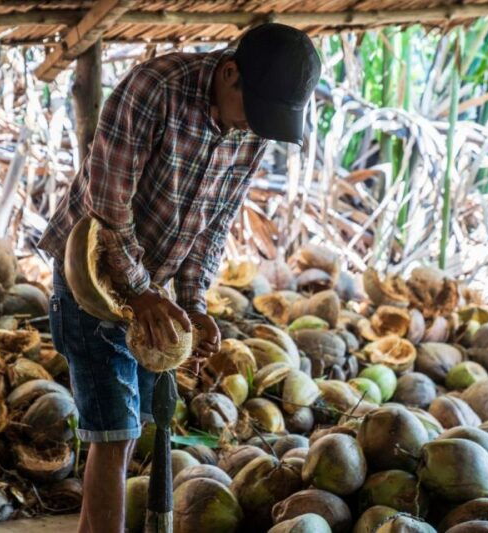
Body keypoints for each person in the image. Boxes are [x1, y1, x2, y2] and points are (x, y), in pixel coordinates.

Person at [38, 22, 321, 533]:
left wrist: (194, 303)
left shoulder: (250, 128)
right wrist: (142, 293)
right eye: (251, 111)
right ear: (229, 73)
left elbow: (213, 226)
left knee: (141, 423)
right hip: (91, 277)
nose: (250, 128)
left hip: (154, 286)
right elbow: (108, 208)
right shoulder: (155, 89)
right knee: (115, 432)